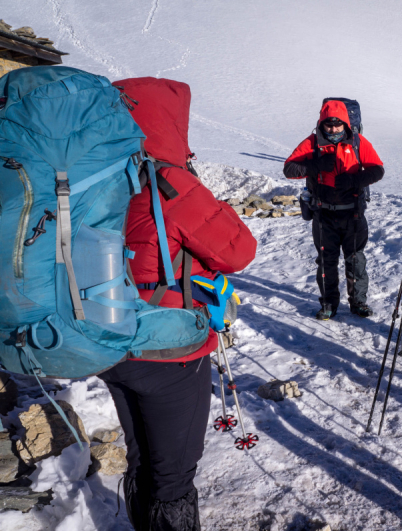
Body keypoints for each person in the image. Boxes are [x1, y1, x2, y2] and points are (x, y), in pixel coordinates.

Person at [102, 77, 257, 531]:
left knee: (140, 457)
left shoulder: (94, 179)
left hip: (107, 339)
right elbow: (238, 251)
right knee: (171, 475)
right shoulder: (169, 181)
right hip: (168, 350)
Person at [283, 100, 385, 320]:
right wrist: (316, 165)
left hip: (353, 213)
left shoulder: (357, 142)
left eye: (338, 125)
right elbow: (289, 169)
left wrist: (353, 179)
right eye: (329, 125)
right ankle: (329, 303)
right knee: (326, 261)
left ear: (345, 124)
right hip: (323, 214)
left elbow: (377, 170)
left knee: (355, 260)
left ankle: (358, 302)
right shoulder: (312, 143)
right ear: (322, 123)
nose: (333, 129)